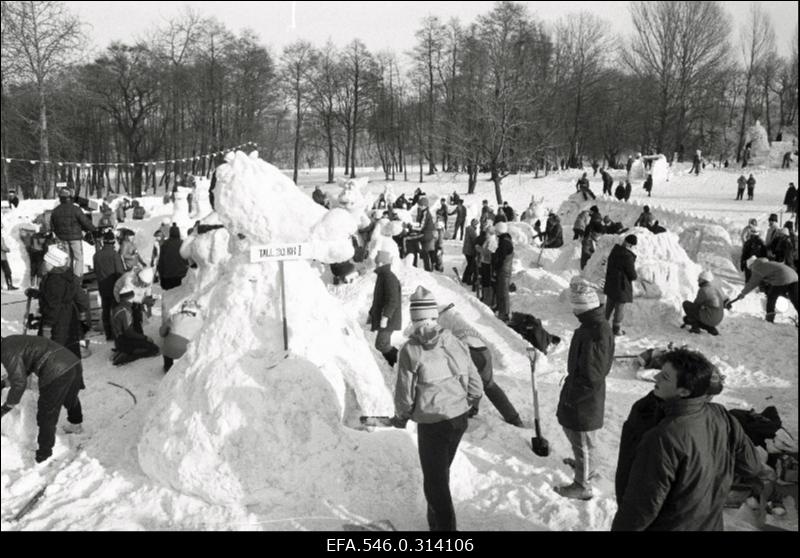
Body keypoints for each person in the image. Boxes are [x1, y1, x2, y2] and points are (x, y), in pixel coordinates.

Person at [611, 348, 763, 530]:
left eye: (665, 377)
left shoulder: (662, 435)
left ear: (684, 391)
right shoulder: (722, 415)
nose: (655, 377)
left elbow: (640, 509)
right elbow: (751, 465)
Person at [389, 286, 483, 531]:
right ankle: (436, 524)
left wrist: (402, 416)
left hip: (432, 424)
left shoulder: (410, 350)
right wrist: (471, 400)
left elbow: (404, 393)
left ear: (414, 319)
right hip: (458, 419)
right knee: (440, 473)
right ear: (434, 316)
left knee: (434, 483)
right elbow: (475, 381)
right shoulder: (454, 341)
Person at [555, 277, 615, 500]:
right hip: (582, 391)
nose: (573, 312)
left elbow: (592, 374)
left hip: (584, 396)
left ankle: (583, 484)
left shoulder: (595, 333)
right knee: (580, 437)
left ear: (583, 308)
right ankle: (586, 469)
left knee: (581, 438)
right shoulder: (592, 325)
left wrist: (574, 395)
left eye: (575, 308)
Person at [1, 335, 85, 463]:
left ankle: (44, 454)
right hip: (72, 361)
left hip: (55, 369)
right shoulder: (12, 341)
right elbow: (25, 369)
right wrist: (4, 383)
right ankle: (76, 424)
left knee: (47, 412)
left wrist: (7, 406)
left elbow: (19, 383)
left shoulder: (6, 351)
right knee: (69, 395)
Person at [439, 307, 523, 427]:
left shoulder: (439, 320)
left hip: (469, 350)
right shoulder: (457, 317)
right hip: (483, 350)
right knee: (489, 386)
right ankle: (514, 418)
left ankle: (462, 411)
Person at [38, 244, 90, 359]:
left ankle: (59, 370)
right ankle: (71, 365)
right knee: (69, 343)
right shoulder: (67, 275)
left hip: (57, 319)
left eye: (47, 262)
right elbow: (71, 295)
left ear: (54, 263)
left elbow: (53, 305)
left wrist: (47, 325)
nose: (44, 264)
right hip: (70, 315)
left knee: (56, 346)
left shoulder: (54, 281)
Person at [727, 256, 798, 322]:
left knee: (771, 297)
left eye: (750, 268)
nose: (751, 270)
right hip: (794, 276)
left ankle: (769, 318)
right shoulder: (766, 264)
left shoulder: (757, 267)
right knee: (795, 299)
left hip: (782, 278)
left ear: (751, 265)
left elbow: (752, 283)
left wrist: (743, 293)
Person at [49, 186, 95, 279]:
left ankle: (68, 276)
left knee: (68, 258)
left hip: (62, 238)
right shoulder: (75, 209)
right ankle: (78, 278)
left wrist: (58, 234)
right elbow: (85, 221)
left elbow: (52, 225)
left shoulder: (55, 210)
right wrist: (93, 229)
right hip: (75, 238)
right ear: (70, 197)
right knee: (78, 258)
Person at [368, 250, 402, 367]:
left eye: (377, 262)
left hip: (389, 318)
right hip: (387, 317)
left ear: (381, 263)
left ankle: (400, 362)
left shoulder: (389, 277)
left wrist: (386, 317)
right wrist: (372, 313)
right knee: (382, 343)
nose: (375, 264)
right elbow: (379, 298)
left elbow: (393, 300)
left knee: (381, 344)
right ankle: (394, 363)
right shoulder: (383, 276)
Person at [110, 288, 160, 366]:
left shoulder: (117, 307)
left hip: (118, 340)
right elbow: (129, 333)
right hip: (124, 341)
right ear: (128, 299)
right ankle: (126, 355)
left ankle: (124, 350)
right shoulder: (124, 311)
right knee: (154, 349)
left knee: (144, 342)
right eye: (132, 298)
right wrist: (145, 338)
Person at [93, 230, 125, 340]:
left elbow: (96, 271)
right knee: (116, 310)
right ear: (113, 242)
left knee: (105, 310)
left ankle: (109, 334)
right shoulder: (115, 255)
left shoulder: (96, 255)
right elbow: (120, 272)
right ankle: (117, 333)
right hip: (115, 287)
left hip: (102, 286)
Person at [603, 235, 638, 336]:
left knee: (609, 305)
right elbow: (632, 274)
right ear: (630, 245)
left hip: (611, 282)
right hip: (621, 286)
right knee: (619, 308)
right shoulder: (627, 256)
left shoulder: (615, 250)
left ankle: (601, 325)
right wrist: (634, 277)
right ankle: (616, 329)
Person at [159, 299, 203, 372]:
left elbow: (162, 332)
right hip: (185, 352)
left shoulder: (174, 317)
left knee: (169, 348)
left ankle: (167, 368)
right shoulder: (200, 323)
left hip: (169, 349)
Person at [681, 271, 726, 335]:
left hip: (710, 317)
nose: (698, 281)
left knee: (686, 304)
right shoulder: (715, 289)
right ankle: (710, 328)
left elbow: (695, 305)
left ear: (703, 280)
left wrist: (689, 318)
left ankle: (695, 328)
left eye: (699, 279)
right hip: (718, 319)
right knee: (699, 314)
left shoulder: (704, 290)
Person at [157, 225, 189, 290]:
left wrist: (161, 277)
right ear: (178, 233)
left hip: (168, 278)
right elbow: (188, 261)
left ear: (170, 233)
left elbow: (161, 262)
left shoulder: (165, 244)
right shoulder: (184, 244)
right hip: (181, 277)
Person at [492, 221, 513, 322]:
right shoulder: (505, 239)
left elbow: (502, 257)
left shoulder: (504, 242)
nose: (495, 233)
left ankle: (505, 313)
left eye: (496, 231)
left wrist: (496, 268)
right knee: (500, 290)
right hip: (504, 269)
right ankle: (501, 310)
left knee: (503, 291)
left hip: (504, 269)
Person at [477, 224, 497, 307]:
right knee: (484, 280)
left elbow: (489, 252)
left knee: (487, 281)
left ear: (491, 233)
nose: (485, 234)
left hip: (488, 264)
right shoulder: (487, 240)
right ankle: (485, 297)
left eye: (487, 232)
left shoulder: (492, 241)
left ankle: (488, 299)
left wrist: (480, 249)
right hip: (484, 262)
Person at [417, 197, 437, 272]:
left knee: (426, 253)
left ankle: (428, 269)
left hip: (426, 235)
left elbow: (422, 226)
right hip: (427, 235)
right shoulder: (424, 212)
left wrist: (412, 228)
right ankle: (429, 267)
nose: (419, 207)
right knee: (427, 252)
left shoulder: (425, 213)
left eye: (420, 205)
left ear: (423, 205)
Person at [461, 219, 479, 286]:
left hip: (467, 250)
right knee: (471, 266)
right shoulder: (471, 230)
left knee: (469, 265)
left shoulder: (469, 229)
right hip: (470, 250)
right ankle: (468, 279)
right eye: (476, 224)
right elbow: (474, 240)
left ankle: (465, 278)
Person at [1, 224, 17, 290]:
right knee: (7, 271)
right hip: (2, 257)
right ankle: (9, 285)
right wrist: (8, 249)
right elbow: (3, 247)